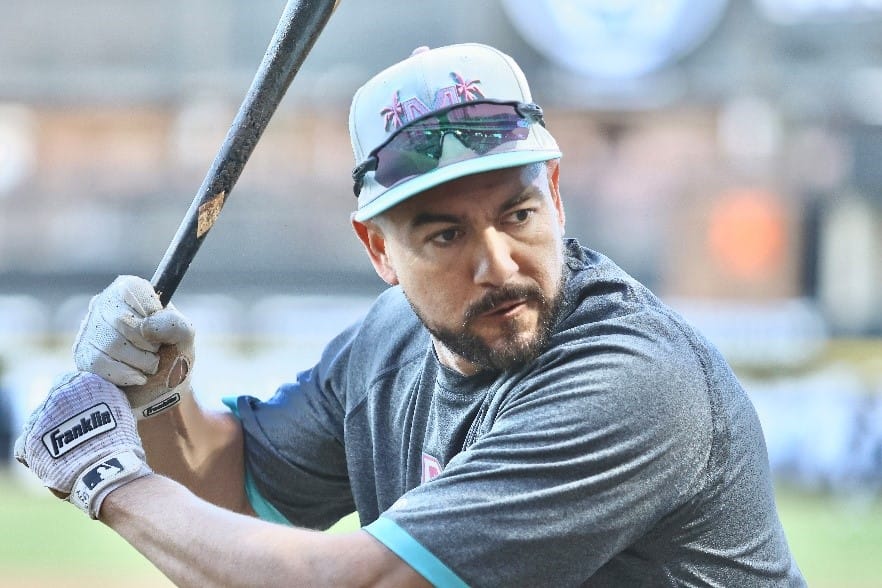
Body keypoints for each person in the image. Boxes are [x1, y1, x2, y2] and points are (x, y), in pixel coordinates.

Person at [15, 43, 806, 586]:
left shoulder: (632, 383)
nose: (497, 264)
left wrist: (112, 481)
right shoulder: (388, 347)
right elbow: (233, 494)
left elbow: (366, 582)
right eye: (444, 234)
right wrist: (160, 402)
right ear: (378, 252)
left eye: (519, 215)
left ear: (556, 197)